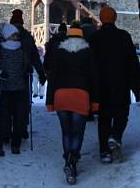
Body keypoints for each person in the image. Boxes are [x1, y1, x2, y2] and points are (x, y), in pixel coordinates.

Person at [89, 5, 140, 164]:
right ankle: (115, 136)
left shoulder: (94, 38)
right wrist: (137, 85)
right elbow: (133, 63)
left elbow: (90, 64)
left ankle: (104, 151)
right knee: (121, 116)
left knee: (104, 119)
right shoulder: (124, 36)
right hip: (121, 84)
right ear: (114, 19)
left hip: (101, 86)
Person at [45, 25, 99, 185]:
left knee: (66, 132)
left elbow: (52, 77)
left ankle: (67, 158)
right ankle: (72, 160)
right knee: (77, 132)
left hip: (61, 94)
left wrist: (49, 101)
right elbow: (93, 78)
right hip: (80, 95)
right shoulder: (88, 52)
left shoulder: (59, 52)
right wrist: (95, 102)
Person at [0, 24, 32, 156]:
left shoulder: (21, 51)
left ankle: (15, 144)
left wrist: (28, 70)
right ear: (7, 36)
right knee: (2, 118)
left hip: (19, 88)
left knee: (19, 118)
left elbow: (25, 66)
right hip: (4, 89)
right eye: (13, 35)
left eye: (16, 35)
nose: (16, 37)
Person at [9, 9, 47, 136]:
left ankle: (7, 129)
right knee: (24, 102)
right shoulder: (27, 37)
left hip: (8, 75)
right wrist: (41, 72)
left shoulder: (5, 35)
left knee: (7, 104)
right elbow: (35, 57)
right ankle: (22, 126)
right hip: (24, 74)